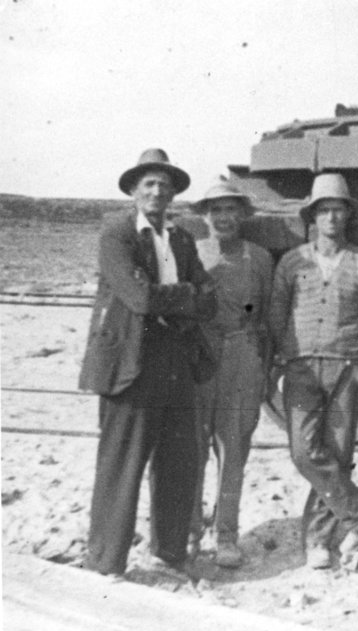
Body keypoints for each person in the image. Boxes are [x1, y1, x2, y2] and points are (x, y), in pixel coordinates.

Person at [79, 148, 216, 576]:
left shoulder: (182, 240)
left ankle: (170, 554)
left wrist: (174, 298)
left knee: (178, 461)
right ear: (134, 191)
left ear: (173, 194)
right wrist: (186, 295)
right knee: (122, 464)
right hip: (131, 363)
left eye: (165, 185)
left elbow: (209, 299)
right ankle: (106, 562)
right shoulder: (117, 234)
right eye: (149, 184)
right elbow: (138, 297)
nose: (157, 192)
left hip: (177, 359)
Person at [269, 173, 358, 569]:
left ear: (348, 215)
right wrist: (280, 357)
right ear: (313, 217)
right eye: (324, 210)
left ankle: (318, 540)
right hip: (301, 366)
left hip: (346, 367)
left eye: (338, 210)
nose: (332, 218)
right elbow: (277, 313)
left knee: (337, 453)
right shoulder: (292, 262)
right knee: (304, 453)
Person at [188, 179, 273, 568]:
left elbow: (265, 311)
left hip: (242, 351)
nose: (223, 218)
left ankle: (226, 534)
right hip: (199, 352)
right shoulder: (190, 252)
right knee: (192, 445)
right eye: (216, 210)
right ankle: (189, 530)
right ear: (205, 216)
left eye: (231, 210)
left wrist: (262, 365)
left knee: (233, 445)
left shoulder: (259, 257)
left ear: (242, 215)